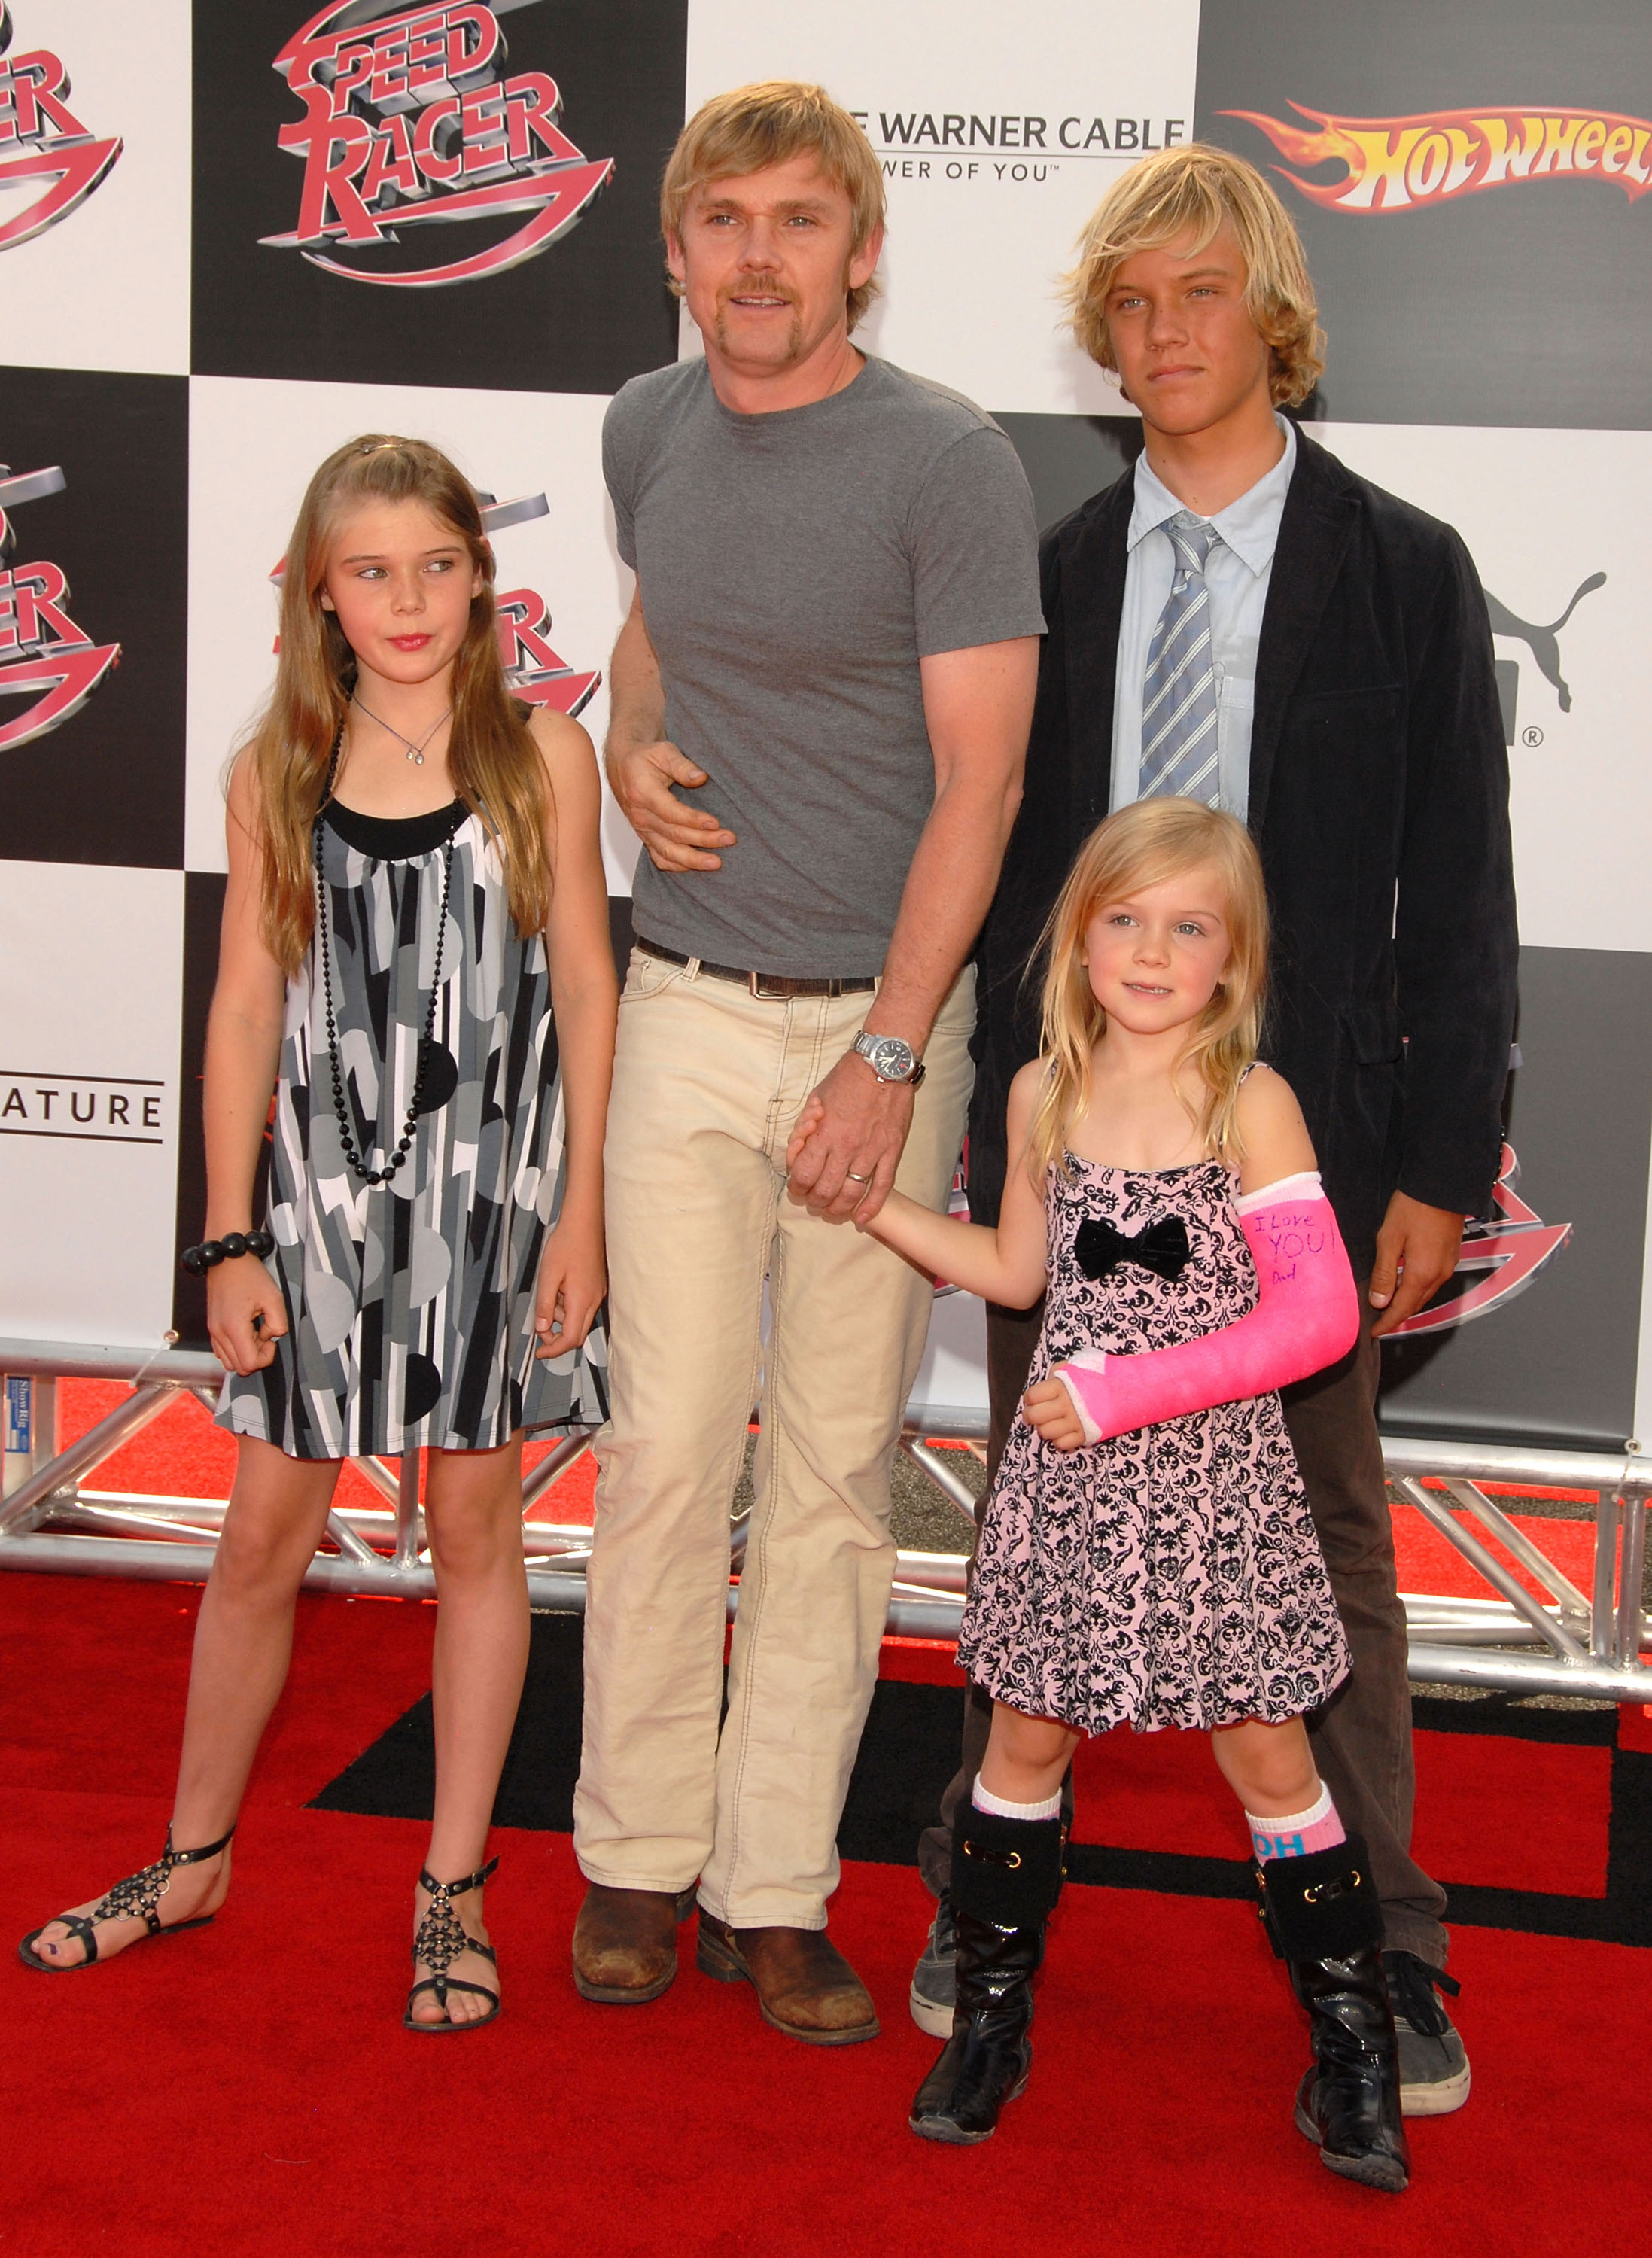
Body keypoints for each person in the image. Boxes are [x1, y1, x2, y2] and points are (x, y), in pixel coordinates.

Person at [912, 143, 1517, 2119]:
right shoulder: (1050, 573)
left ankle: (1391, 1954)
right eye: (1132, 302)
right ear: (1104, 334)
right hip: (1071, 1155)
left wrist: (1435, 1159)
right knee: (1034, 1533)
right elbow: (994, 861)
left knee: (1322, 1552)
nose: (1164, 333)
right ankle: (982, 1908)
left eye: (1200, 294)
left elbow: (1460, 890)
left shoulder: (1402, 569)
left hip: (1300, 1159)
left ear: (1272, 315)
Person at [19, 436, 617, 2032]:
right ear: (317, 595)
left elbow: (586, 991)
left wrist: (584, 1213)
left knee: (479, 1538)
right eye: (371, 571)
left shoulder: (545, 755)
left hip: (493, 1214)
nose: (407, 599)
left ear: (480, 580)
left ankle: (453, 1890)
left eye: (435, 564)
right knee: (258, 1547)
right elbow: (240, 1013)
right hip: (315, 1217)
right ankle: (192, 1858)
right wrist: (228, 1238)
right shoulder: (274, 771)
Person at [570, 81, 1042, 2043]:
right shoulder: (643, 424)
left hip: (874, 1035)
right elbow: (659, 626)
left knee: (841, 1478)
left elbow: (983, 778)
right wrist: (620, 738)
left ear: (860, 247)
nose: (755, 256)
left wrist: (887, 1050)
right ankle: (630, 1863)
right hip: (679, 999)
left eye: (795, 221)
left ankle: (776, 1888)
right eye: (723, 222)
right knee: (669, 1451)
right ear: (677, 251)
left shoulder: (945, 461)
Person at [812, 798, 1408, 2187]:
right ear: (1078, 938)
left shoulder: (1248, 1098)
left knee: (1271, 1760)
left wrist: (1125, 1394)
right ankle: (994, 2027)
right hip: (1068, 1498)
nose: (1151, 950)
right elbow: (1024, 1276)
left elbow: (1317, 1317)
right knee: (1023, 1750)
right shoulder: (1040, 1094)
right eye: (1124, 919)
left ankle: (1354, 2049)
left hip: (1216, 1492)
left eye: (1189, 926)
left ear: (1234, 960)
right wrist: (872, 1208)